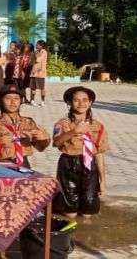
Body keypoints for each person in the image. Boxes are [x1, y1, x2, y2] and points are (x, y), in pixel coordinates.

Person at [52, 86, 109, 218]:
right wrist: (74, 132)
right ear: (70, 103)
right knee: (70, 213)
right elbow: (56, 142)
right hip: (69, 164)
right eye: (76, 100)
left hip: (90, 165)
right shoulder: (62, 124)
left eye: (85, 100)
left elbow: (99, 153)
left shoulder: (98, 126)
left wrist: (103, 180)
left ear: (90, 103)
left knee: (88, 213)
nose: (81, 104)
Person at [0, 84, 50, 168]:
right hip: (2, 164)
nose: (13, 102)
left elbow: (40, 147)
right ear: (1, 101)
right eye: (8, 98)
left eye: (16, 98)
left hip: (24, 164)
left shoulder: (28, 122)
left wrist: (45, 139)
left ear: (21, 101)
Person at [30, 40, 48, 107]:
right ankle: (32, 101)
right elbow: (32, 61)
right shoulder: (35, 52)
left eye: (37, 45)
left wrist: (36, 54)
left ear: (41, 46)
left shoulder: (44, 52)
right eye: (36, 45)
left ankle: (42, 102)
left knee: (42, 87)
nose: (36, 46)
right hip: (34, 72)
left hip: (40, 73)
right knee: (33, 87)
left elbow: (38, 60)